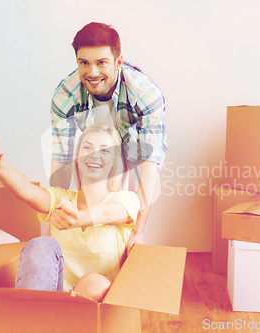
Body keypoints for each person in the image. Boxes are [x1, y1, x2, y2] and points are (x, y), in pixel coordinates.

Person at [0, 123, 140, 301]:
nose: (94, 154)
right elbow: (28, 191)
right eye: (87, 147)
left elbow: (105, 213)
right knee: (41, 244)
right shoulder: (61, 199)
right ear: (78, 156)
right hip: (51, 307)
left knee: (94, 283)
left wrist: (79, 218)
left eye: (105, 150)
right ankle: (32, 319)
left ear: (115, 161)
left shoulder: (127, 199)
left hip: (98, 314)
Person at [49, 22, 166, 252]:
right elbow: (61, 162)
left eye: (101, 63)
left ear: (118, 61)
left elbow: (149, 163)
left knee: (126, 231)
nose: (92, 73)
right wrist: (52, 229)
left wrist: (139, 230)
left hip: (134, 156)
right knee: (87, 221)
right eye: (84, 63)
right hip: (93, 151)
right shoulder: (65, 96)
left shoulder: (145, 93)